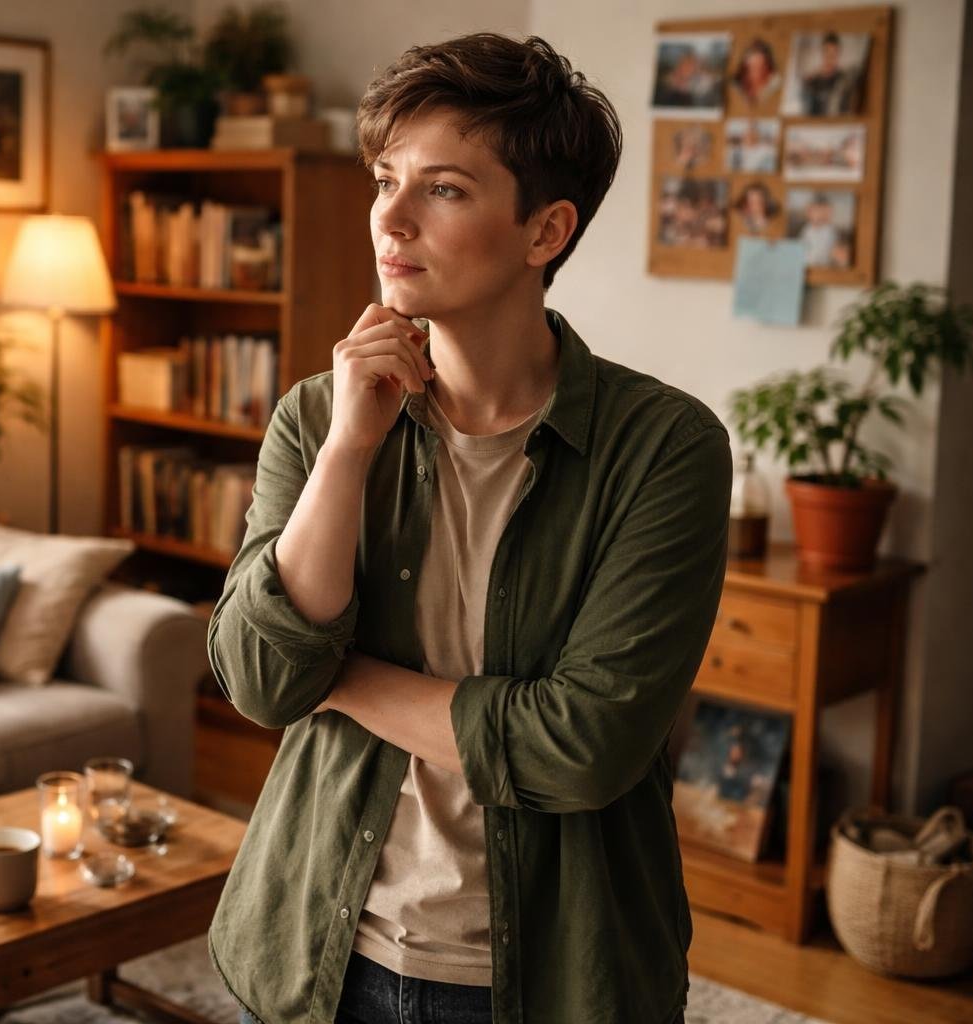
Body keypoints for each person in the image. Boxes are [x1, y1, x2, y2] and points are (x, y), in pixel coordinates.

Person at [206, 31, 731, 1024]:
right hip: (317, 951)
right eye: (385, 180)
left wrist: (338, 676)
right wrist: (349, 449)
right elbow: (263, 680)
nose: (389, 217)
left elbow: (581, 746)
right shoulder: (317, 415)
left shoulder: (665, 449)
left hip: (553, 979)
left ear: (546, 231)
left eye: (442, 189)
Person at [732, 38, 781, 107]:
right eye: (747, 69)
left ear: (768, 71)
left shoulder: (774, 84)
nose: (750, 74)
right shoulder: (737, 85)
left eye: (757, 68)